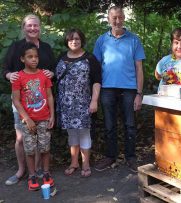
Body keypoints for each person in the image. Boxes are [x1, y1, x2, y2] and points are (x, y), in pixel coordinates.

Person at [2, 14, 54, 185]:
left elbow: (53, 70)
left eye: (36, 25)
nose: (33, 28)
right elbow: (5, 70)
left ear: (40, 27)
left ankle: (37, 170)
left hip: (41, 103)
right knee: (21, 138)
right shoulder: (16, 47)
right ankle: (21, 170)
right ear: (23, 27)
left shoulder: (46, 48)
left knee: (39, 137)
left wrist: (51, 73)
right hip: (21, 102)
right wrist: (10, 75)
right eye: (29, 25)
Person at [93, 6, 145, 173]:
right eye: (114, 17)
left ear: (124, 18)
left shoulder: (134, 40)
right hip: (107, 88)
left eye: (120, 17)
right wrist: (95, 91)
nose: (117, 21)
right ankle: (111, 156)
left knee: (130, 125)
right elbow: (96, 68)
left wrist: (139, 93)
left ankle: (130, 157)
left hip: (129, 89)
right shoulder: (101, 40)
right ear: (108, 19)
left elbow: (139, 68)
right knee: (109, 125)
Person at [56, 28, 101, 177]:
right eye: (71, 39)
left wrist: (94, 101)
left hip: (83, 103)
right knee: (72, 134)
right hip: (65, 103)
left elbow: (96, 81)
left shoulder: (90, 58)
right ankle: (74, 162)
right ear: (67, 41)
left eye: (77, 39)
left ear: (82, 40)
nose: (74, 41)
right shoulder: (61, 57)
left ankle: (86, 164)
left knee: (84, 133)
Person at [11, 42, 55, 191]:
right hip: (28, 120)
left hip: (44, 118)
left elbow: (49, 96)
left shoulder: (44, 75)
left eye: (36, 56)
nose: (34, 59)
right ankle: (32, 175)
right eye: (30, 57)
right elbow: (16, 100)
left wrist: (52, 116)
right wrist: (27, 118)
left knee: (45, 148)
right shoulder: (18, 77)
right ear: (23, 59)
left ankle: (46, 173)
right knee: (29, 150)